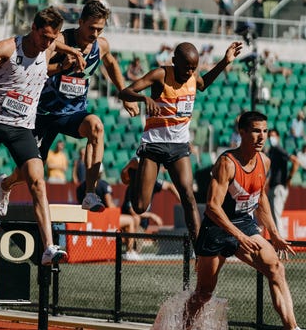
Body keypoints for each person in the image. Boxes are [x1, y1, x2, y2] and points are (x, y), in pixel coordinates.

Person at [0, 7, 83, 266]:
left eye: (53, 39)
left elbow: (59, 45)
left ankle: (48, 246)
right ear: (34, 29)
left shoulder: (50, 47)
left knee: (38, 180)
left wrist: (71, 54)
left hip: (23, 127)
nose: (48, 43)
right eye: (44, 37)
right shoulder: (8, 48)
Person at [0, 0, 139, 214]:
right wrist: (61, 66)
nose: (95, 33)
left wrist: (125, 94)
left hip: (72, 113)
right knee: (29, 173)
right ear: (80, 22)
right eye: (91, 28)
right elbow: (35, 69)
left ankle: (90, 192)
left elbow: (111, 63)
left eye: (100, 29)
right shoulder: (59, 40)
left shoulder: (101, 45)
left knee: (96, 126)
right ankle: (6, 184)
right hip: (42, 113)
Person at [185, 111, 303, 330]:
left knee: (276, 269)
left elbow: (261, 198)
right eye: (256, 131)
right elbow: (211, 207)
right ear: (242, 132)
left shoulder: (264, 162)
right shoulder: (226, 163)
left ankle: (292, 328)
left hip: (244, 223)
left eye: (265, 131)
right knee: (203, 293)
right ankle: (184, 327)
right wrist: (238, 236)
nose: (262, 136)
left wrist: (274, 234)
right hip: (217, 229)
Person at [119, 41, 243, 247]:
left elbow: (203, 84)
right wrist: (144, 99)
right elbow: (124, 92)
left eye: (193, 68)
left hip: (178, 145)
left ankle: (199, 250)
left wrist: (224, 61)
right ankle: (136, 170)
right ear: (174, 61)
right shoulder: (160, 74)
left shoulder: (193, 76)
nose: (190, 72)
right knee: (140, 206)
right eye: (186, 67)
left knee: (188, 196)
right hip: (154, 144)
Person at [76, 163, 141, 261]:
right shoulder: (103, 185)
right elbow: (110, 205)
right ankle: (129, 251)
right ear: (101, 173)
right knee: (130, 220)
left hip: (88, 220)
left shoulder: (80, 187)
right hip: (104, 219)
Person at [121, 157, 180, 232]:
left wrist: (181, 199)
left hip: (143, 225)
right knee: (136, 218)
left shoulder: (152, 183)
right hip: (131, 226)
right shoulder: (132, 188)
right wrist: (152, 216)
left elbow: (169, 186)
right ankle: (132, 242)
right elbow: (132, 211)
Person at [267, 129, 299, 235]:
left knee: (276, 217)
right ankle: (276, 245)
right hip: (272, 187)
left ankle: (281, 246)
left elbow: (295, 161)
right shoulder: (271, 151)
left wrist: (289, 178)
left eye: (273, 136)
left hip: (279, 187)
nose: (271, 138)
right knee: (271, 218)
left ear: (278, 137)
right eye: (270, 136)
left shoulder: (278, 149)